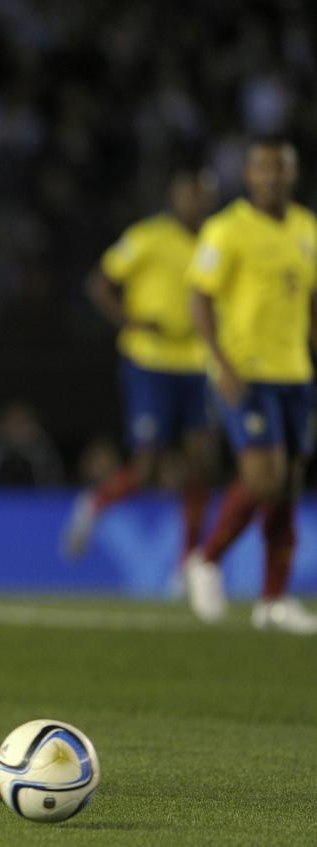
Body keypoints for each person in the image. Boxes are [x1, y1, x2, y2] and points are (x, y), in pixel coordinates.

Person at [184, 137, 317, 634]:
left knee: (288, 484)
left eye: (281, 168)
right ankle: (207, 559)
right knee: (266, 476)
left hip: (295, 373)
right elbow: (200, 298)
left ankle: (273, 601)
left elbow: (309, 302)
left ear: (292, 173)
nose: (273, 176)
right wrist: (222, 363)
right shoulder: (227, 229)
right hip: (247, 370)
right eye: (264, 168)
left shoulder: (306, 227)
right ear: (249, 175)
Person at [63, 169, 218, 568]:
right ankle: (94, 504)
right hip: (149, 360)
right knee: (148, 466)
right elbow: (99, 283)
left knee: (201, 462)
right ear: (174, 197)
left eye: (201, 196)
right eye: (188, 195)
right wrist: (131, 321)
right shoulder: (147, 237)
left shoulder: (218, 240)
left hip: (197, 364)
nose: (194, 203)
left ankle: (189, 562)